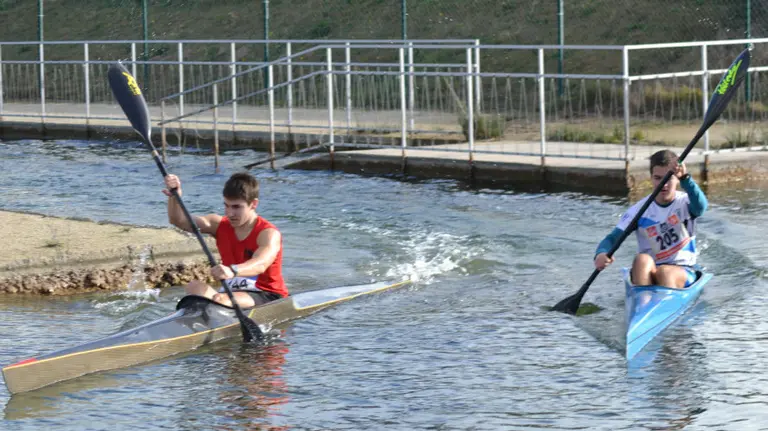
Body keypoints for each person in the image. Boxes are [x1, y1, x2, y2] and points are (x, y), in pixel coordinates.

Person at [163, 172, 288, 308]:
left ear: (253, 204)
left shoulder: (268, 233)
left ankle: (216, 308)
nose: (230, 213)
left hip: (266, 294)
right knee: (193, 287)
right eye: (226, 206)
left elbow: (261, 264)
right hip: (230, 291)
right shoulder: (219, 225)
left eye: (236, 207)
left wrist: (232, 270)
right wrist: (174, 197)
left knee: (221, 300)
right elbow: (179, 221)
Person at [594, 150, 708, 288]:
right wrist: (601, 253)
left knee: (665, 272)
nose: (664, 184)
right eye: (658, 178)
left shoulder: (686, 202)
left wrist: (685, 178)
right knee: (641, 260)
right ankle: (643, 297)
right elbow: (613, 238)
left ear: (677, 178)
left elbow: (701, 207)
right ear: (651, 178)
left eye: (668, 178)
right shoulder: (638, 211)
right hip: (649, 271)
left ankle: (659, 296)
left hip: (683, 270)